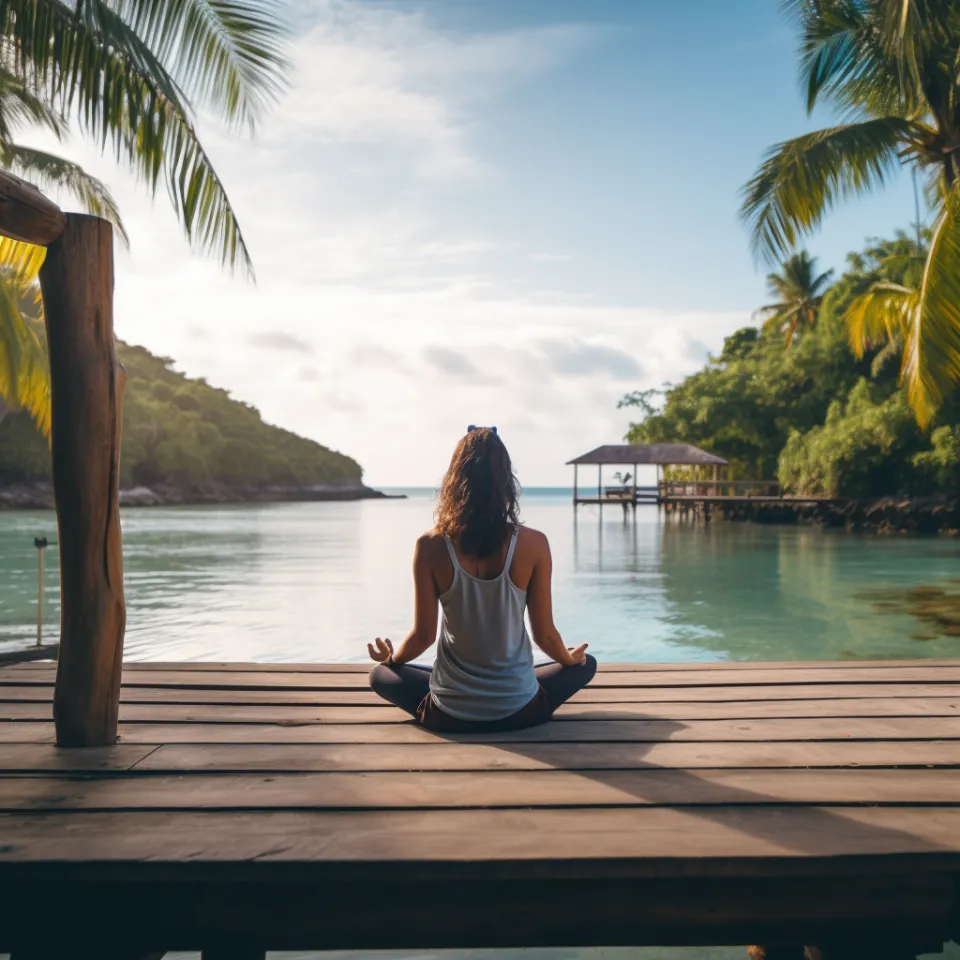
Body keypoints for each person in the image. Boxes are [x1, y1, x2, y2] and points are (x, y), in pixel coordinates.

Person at [368, 426, 597, 732]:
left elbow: (423, 636)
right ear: (505, 481)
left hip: (449, 714)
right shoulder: (534, 544)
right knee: (587, 664)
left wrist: (392, 659)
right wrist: (569, 661)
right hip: (521, 710)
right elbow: (544, 634)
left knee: (379, 675)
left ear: (453, 480)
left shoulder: (429, 546)